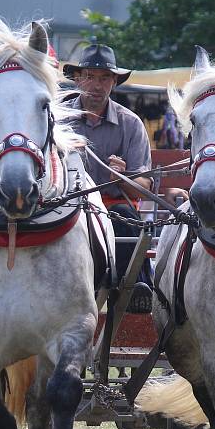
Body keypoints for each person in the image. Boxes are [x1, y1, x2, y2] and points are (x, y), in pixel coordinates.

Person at [63, 44, 154, 312]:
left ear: (114, 82)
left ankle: (130, 288)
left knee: (127, 218)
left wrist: (122, 176)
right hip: (65, 204)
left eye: (104, 78)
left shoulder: (131, 123)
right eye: (90, 76)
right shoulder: (57, 118)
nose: (96, 85)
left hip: (111, 208)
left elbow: (143, 188)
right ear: (77, 78)